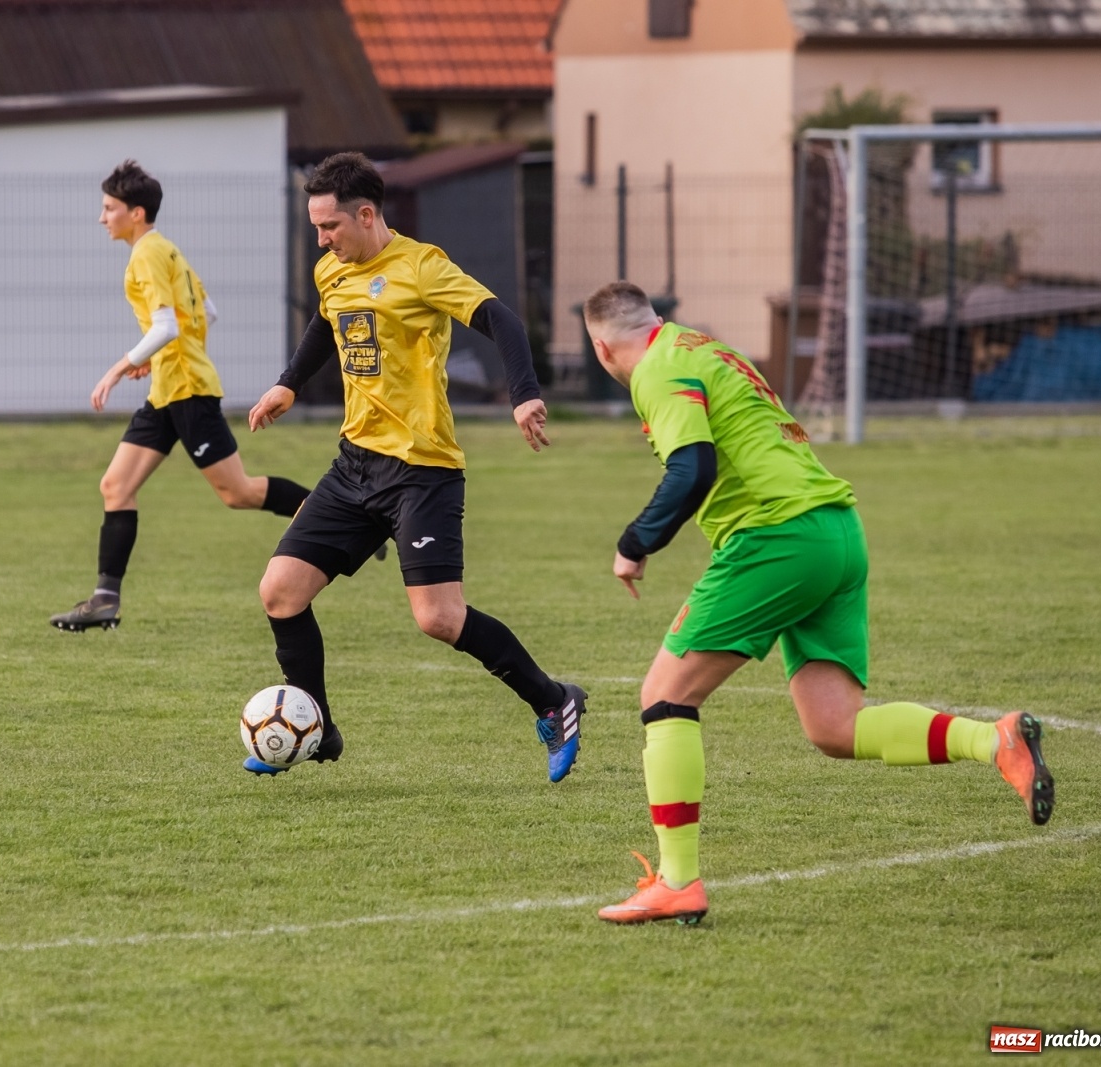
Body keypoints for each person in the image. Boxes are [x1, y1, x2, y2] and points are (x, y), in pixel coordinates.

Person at [581, 281, 1054, 926]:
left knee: (665, 695)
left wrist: (635, 542)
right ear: (656, 318)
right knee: (835, 726)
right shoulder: (706, 348)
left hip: (777, 537)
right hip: (837, 532)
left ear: (602, 349)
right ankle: (995, 741)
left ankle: (677, 881)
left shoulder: (656, 369)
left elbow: (692, 466)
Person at [245, 151, 587, 781]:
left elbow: (501, 320)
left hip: (421, 472)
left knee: (438, 619)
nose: (321, 240)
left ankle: (553, 700)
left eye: (329, 226)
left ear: (366, 215)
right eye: (316, 227)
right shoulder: (331, 269)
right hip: (354, 465)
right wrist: (288, 383)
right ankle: (317, 729)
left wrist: (523, 394)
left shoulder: (422, 267)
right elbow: (326, 323)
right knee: (280, 592)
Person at [50, 161, 313, 632]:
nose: (102, 217)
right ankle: (104, 600)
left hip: (189, 391)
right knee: (116, 486)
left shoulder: (147, 254)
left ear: (135, 213)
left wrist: (120, 367)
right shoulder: (167, 249)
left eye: (109, 208)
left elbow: (167, 325)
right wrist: (156, 359)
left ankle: (333, 515)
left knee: (238, 492)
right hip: (167, 391)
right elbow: (206, 313)